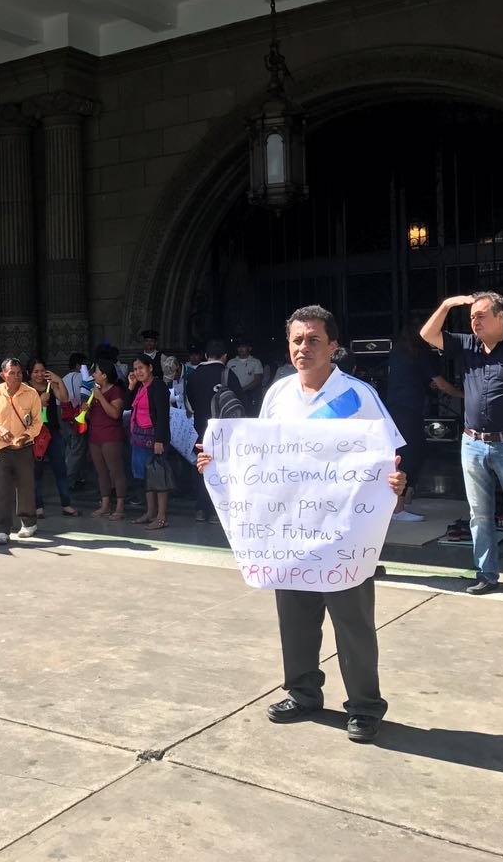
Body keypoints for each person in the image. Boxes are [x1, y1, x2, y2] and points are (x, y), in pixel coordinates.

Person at [196, 305, 407, 744]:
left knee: (352, 623)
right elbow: (263, 458)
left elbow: (388, 457)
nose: (303, 348)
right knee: (295, 618)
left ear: (334, 346)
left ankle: (365, 707)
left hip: (343, 533)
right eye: (296, 340)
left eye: (313, 339)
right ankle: (303, 692)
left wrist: (396, 479)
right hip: (289, 530)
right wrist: (217, 464)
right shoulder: (278, 395)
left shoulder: (358, 395)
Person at [421, 292, 503, 600]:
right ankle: (486, 574)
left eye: (481, 315)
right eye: (471, 317)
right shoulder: (467, 345)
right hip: (473, 442)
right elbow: (428, 334)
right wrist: (446, 305)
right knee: (479, 514)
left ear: (500, 316)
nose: (474, 321)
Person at [384, 326, 462, 523]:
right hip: (409, 409)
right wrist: (464, 395)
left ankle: (404, 500)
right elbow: (442, 384)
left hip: (394, 408)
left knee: (406, 452)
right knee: (411, 454)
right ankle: (398, 508)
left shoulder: (399, 350)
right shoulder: (421, 352)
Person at [0, 357, 42, 544]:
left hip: (24, 447)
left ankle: (29, 523)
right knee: (1, 489)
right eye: (11, 373)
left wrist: (26, 435)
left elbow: (38, 422)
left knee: (26, 487)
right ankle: (2, 529)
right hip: (1, 448)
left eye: (19, 373)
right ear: (3, 375)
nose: (16, 377)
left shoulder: (31, 393)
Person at [185, 339, 244, 523]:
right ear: (225, 356)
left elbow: (190, 405)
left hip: (200, 429)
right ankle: (217, 511)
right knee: (222, 468)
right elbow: (238, 403)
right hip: (224, 432)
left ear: (205, 355)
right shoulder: (227, 374)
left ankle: (201, 509)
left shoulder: (193, 376)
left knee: (202, 467)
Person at [28, 359, 79, 518]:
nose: (39, 374)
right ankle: (38, 507)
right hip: (34, 434)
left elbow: (64, 398)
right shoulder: (26, 389)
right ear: (30, 373)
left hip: (53, 432)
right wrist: (39, 402)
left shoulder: (50, 384)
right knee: (36, 471)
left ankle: (66, 504)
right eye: (35, 371)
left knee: (60, 469)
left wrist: (58, 381)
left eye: (42, 371)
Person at [128, 352, 172, 530]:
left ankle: (161, 517)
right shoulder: (140, 387)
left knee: (158, 477)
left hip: (154, 439)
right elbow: (126, 405)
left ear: (150, 368)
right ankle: (150, 512)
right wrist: (131, 387)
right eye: (135, 369)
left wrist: (159, 440)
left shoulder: (158, 386)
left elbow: (162, 415)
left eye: (141, 368)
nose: (138, 372)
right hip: (139, 439)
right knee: (146, 477)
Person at [86, 358, 128, 520]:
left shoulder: (116, 391)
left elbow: (115, 413)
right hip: (95, 435)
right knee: (101, 471)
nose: (93, 375)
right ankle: (105, 505)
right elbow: (92, 415)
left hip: (111, 436)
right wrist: (87, 409)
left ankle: (120, 506)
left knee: (116, 471)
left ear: (104, 375)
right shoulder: (94, 390)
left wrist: (101, 398)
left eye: (96, 372)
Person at [60, 353, 88, 488]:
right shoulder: (81, 377)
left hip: (63, 415)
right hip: (76, 415)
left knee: (69, 447)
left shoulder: (63, 378)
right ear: (79, 365)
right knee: (77, 448)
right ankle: (68, 480)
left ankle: (77, 476)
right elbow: (82, 396)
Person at [227, 340, 264, 416]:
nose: (241, 349)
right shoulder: (230, 362)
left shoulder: (256, 362)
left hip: (249, 396)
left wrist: (242, 390)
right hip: (233, 396)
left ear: (249, 348)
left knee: (250, 417)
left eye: (243, 346)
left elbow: (257, 380)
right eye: (239, 347)